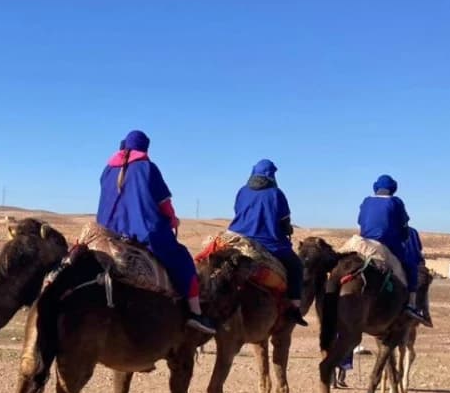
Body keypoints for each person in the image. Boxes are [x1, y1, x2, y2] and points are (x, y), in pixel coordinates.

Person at [96, 130, 216, 334]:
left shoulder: (107, 170)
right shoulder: (147, 168)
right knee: (183, 260)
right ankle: (195, 313)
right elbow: (164, 204)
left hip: (107, 231)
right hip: (143, 232)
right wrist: (172, 220)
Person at [227, 159, 308, 326]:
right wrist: (287, 230)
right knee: (296, 267)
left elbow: (237, 211)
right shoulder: (276, 194)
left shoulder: (242, 191)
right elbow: (284, 223)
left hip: (237, 238)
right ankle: (294, 307)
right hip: (269, 243)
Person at [357, 175, 428, 324]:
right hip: (387, 244)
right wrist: (402, 238)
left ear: (376, 187)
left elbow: (360, 221)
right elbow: (403, 226)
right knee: (410, 266)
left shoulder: (366, 201)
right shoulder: (396, 202)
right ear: (393, 188)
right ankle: (411, 304)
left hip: (363, 243)